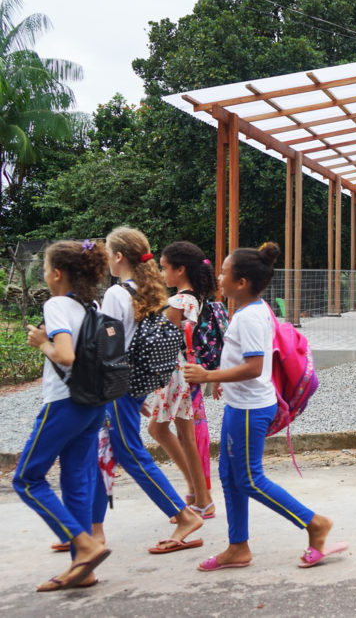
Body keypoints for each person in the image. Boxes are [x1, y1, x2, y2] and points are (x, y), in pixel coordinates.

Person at [183, 242, 346, 571]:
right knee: (229, 476)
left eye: (225, 272)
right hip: (239, 405)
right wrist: (220, 381)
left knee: (250, 479)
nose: (219, 276)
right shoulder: (246, 312)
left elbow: (256, 367)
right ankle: (238, 547)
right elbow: (244, 360)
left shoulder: (251, 318)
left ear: (241, 283)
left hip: (250, 409)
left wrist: (208, 375)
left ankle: (315, 524)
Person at [92, 226, 204, 553]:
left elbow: (109, 346)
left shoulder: (116, 293)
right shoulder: (150, 289)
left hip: (117, 384)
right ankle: (90, 530)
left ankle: (183, 515)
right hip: (135, 383)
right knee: (105, 450)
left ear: (117, 256)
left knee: (128, 452)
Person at [16, 240, 113, 591]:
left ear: (57, 274)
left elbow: (65, 355)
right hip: (92, 404)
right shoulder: (91, 304)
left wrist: (41, 342)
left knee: (26, 479)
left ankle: (84, 546)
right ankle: (83, 570)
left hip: (64, 403)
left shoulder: (57, 304)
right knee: (76, 482)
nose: (43, 274)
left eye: (44, 268)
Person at [148, 241, 216, 520]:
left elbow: (156, 342)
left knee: (171, 434)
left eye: (165, 268)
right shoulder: (195, 298)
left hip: (175, 375)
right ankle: (199, 495)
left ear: (180, 269)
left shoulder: (179, 302)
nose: (163, 274)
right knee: (170, 433)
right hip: (183, 374)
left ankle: (202, 498)